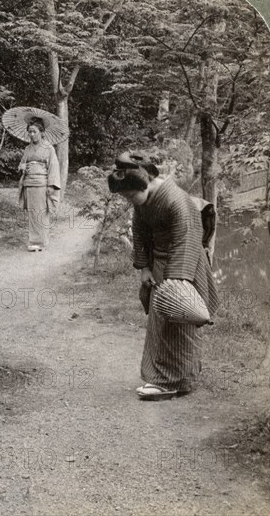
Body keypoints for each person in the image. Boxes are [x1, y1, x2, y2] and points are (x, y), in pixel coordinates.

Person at [108, 151, 219, 400]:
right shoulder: (144, 201)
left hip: (184, 267)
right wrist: (145, 267)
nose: (129, 200)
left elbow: (187, 241)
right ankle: (163, 378)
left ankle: (177, 381)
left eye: (130, 194)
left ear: (143, 182)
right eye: (125, 196)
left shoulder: (177, 200)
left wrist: (176, 282)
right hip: (159, 263)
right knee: (160, 324)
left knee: (179, 324)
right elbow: (140, 232)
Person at [18, 118, 61, 252]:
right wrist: (22, 166)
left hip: (42, 183)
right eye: (29, 132)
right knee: (32, 212)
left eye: (34, 131)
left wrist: (51, 185)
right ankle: (33, 240)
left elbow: (53, 167)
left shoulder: (49, 148)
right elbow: (21, 164)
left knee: (42, 212)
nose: (31, 134)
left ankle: (41, 241)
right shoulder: (27, 149)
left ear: (41, 132)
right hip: (29, 183)